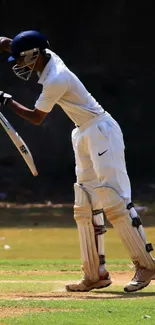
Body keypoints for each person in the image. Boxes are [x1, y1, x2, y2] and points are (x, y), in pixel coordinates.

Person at [0, 30, 155, 293]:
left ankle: (146, 265)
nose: (18, 64)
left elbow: (37, 118)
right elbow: (5, 43)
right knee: (84, 203)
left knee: (114, 199)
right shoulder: (42, 55)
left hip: (101, 131)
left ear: (34, 54)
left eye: (20, 59)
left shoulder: (56, 79)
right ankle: (96, 274)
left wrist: (6, 100)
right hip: (81, 132)